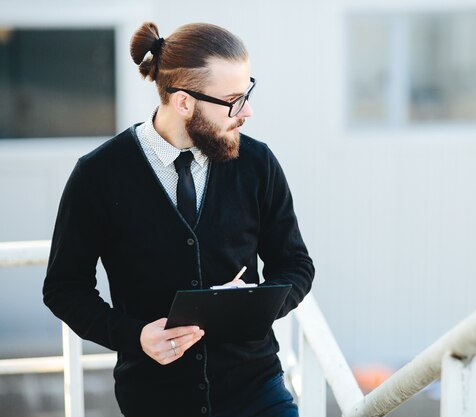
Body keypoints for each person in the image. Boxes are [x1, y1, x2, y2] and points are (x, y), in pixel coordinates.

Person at [43, 21, 314, 417]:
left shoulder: (259, 163)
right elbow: (64, 288)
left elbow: (295, 265)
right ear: (184, 102)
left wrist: (254, 303)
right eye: (234, 100)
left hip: (258, 390)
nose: (248, 111)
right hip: (153, 399)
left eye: (247, 92)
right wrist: (135, 336)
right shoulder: (98, 175)